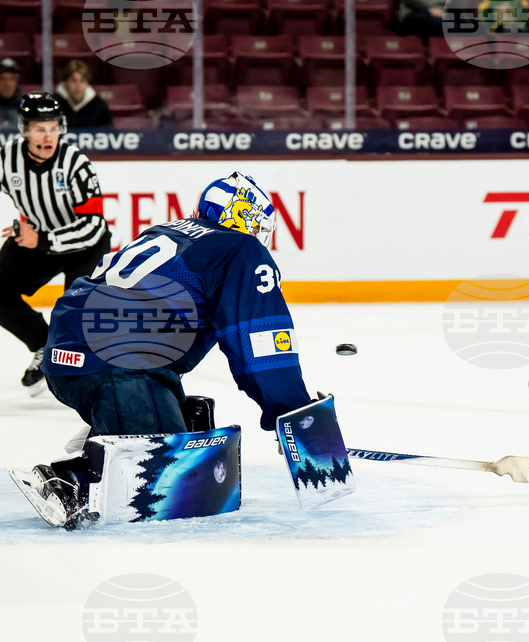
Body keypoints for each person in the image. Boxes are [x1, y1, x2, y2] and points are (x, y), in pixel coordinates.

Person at [25, 172, 313, 528]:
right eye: (258, 226)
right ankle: (77, 480)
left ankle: (112, 431)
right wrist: (295, 413)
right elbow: (260, 343)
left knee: (193, 426)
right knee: (173, 486)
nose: (259, 236)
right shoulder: (239, 249)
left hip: (70, 355)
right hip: (117, 366)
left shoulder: (171, 231)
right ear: (244, 219)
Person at [0, 93, 108, 396]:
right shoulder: (6, 159)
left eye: (52, 127)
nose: (47, 136)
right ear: (24, 130)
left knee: (75, 310)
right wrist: (36, 236)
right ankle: (43, 346)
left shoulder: (76, 164)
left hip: (84, 246)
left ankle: (81, 372)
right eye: (39, 128)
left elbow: (94, 225)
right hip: (37, 237)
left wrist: (43, 239)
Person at [56, 60, 113, 129]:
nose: (78, 86)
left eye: (82, 81)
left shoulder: (99, 106)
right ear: (65, 83)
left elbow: (108, 134)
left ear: (87, 83)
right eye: (73, 80)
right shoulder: (53, 104)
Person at [0, 57, 23, 129]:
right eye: (2, 78)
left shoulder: (25, 110)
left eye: (11, 79)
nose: (7, 84)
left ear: (17, 82)